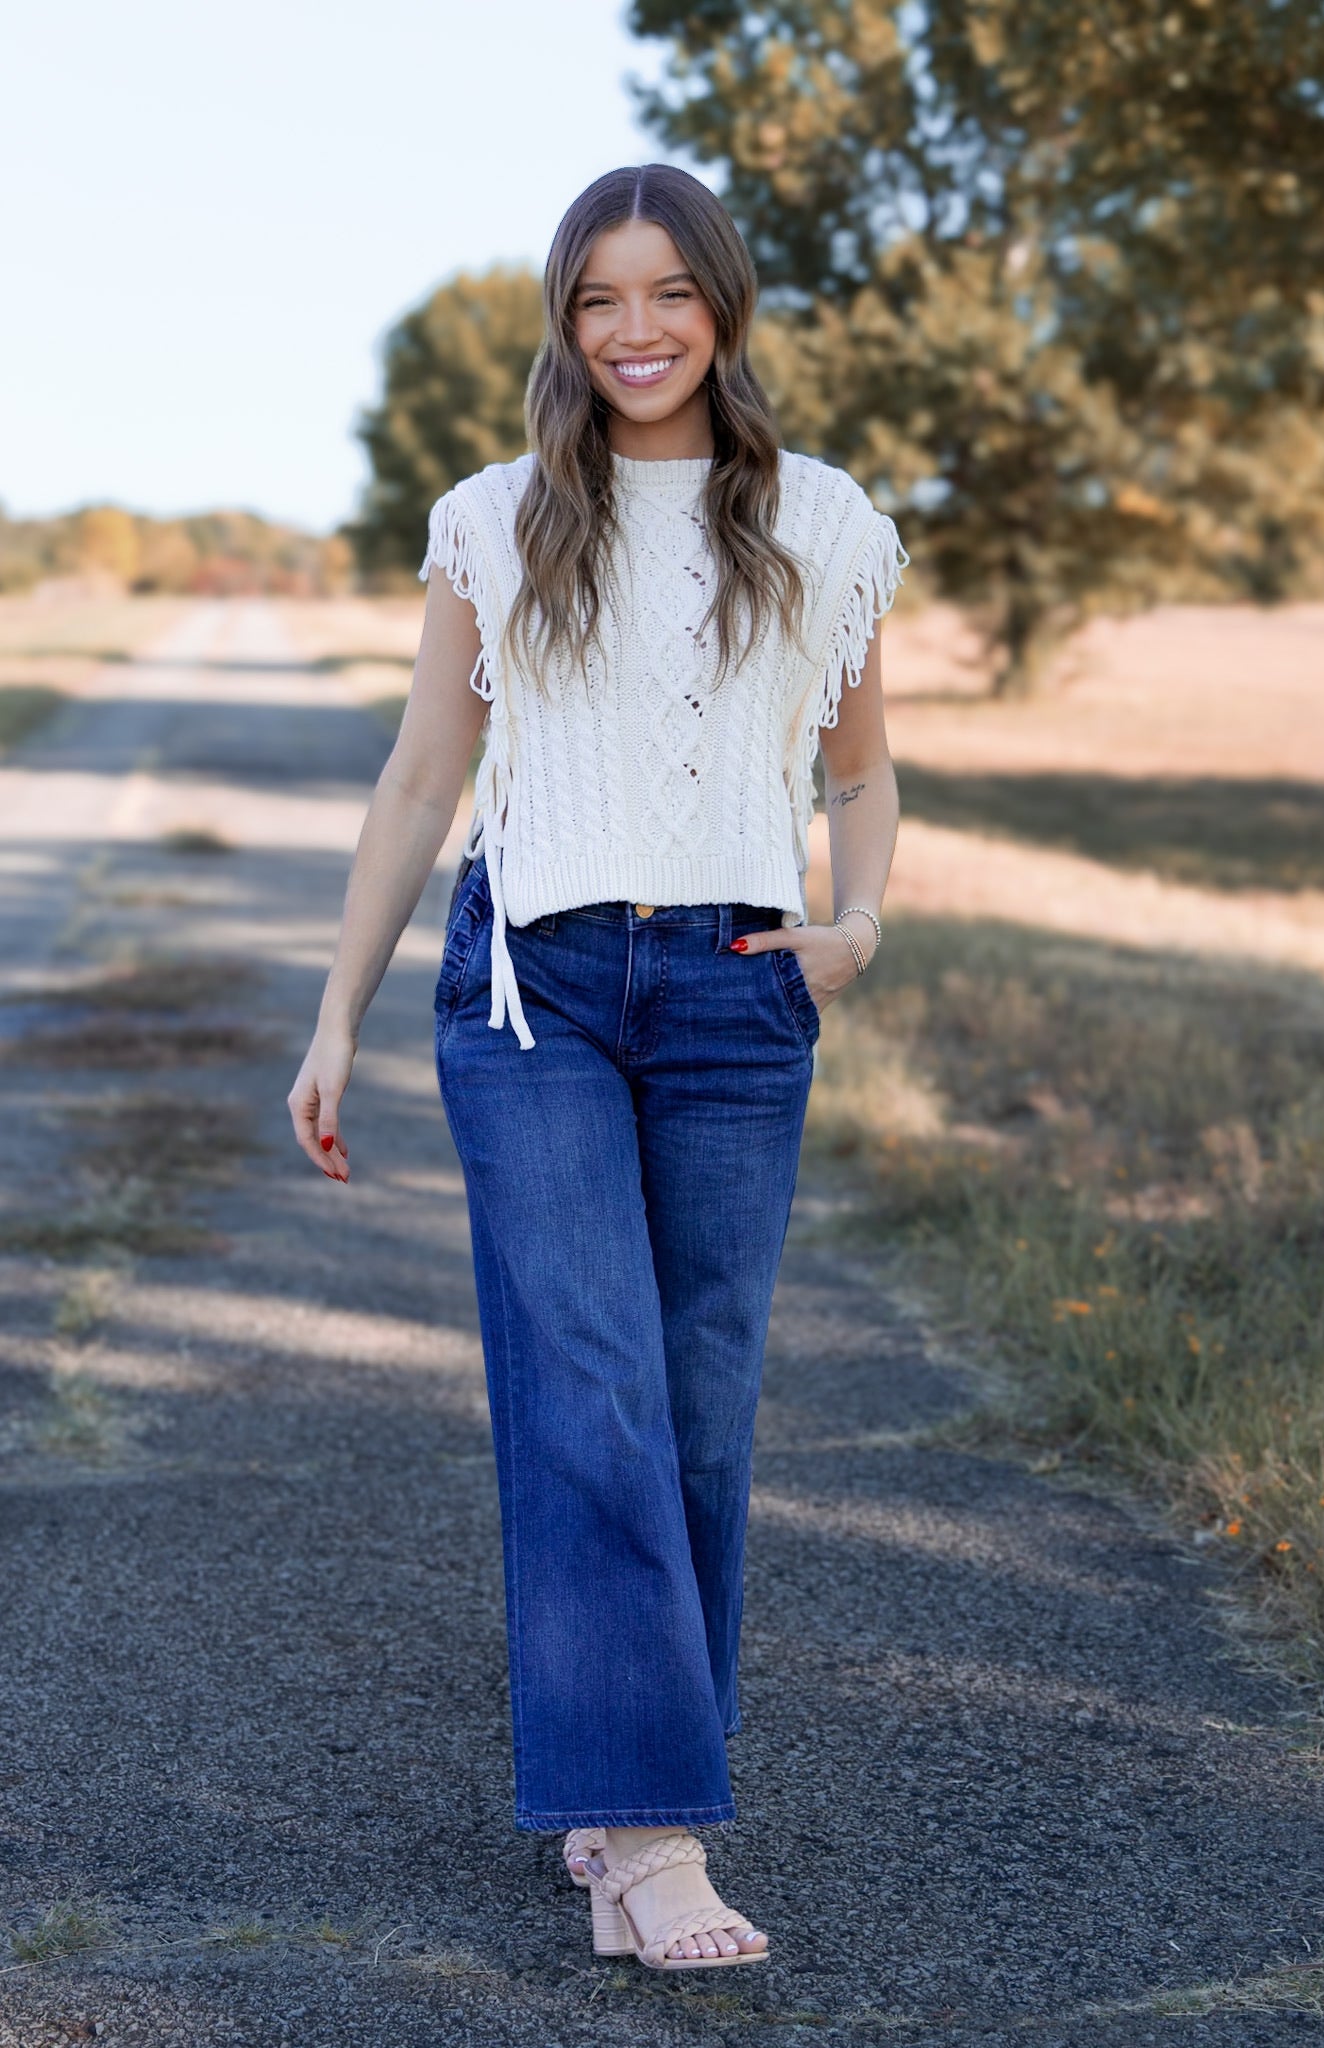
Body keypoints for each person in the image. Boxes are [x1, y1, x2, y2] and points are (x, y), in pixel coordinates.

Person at [288, 162, 903, 1972]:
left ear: (720, 304)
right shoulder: (496, 517)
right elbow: (420, 779)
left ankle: (624, 1782)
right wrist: (334, 1016)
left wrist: (854, 922)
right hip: (532, 991)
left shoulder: (823, 519)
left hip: (732, 992)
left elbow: (859, 771)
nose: (633, 332)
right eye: (595, 301)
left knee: (696, 1405)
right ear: (564, 324)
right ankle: (646, 1836)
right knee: (590, 1390)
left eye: (665, 294)